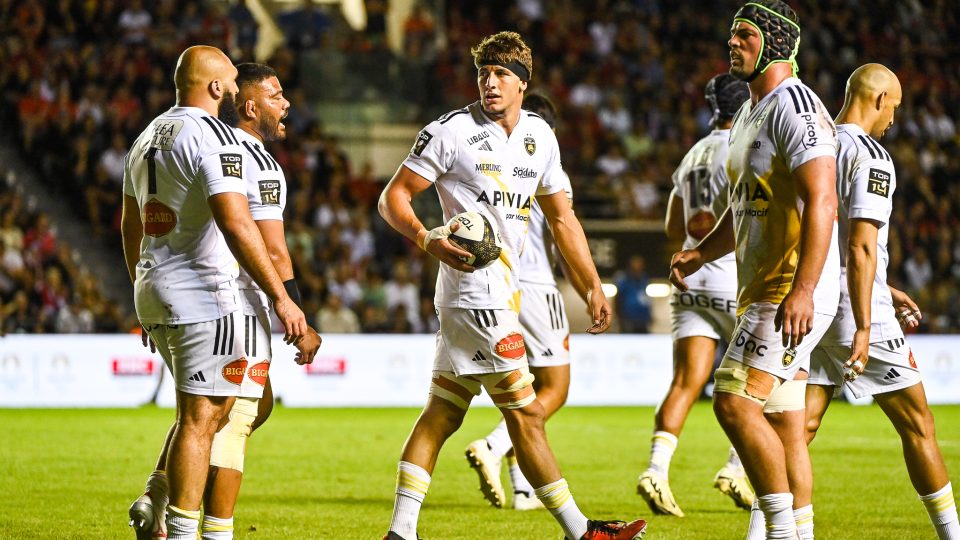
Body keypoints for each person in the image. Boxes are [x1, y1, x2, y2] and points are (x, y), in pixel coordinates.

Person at [378, 31, 647, 540]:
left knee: (441, 413)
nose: (490, 82)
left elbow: (563, 219)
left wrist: (591, 285)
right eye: (483, 72)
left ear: (523, 83)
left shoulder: (541, 137)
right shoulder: (450, 132)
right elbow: (394, 198)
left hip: (501, 292)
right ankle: (581, 531)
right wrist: (425, 238)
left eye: (501, 73)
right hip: (475, 294)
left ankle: (401, 532)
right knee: (527, 414)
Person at [121, 47, 318, 540]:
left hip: (155, 288)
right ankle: (193, 529)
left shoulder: (146, 136)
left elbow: (130, 223)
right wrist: (284, 299)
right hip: (209, 293)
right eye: (231, 81)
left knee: (212, 411)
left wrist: (141, 287)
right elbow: (237, 222)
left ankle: (159, 495)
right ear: (214, 88)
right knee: (210, 418)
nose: (233, 90)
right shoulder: (216, 138)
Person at [668, 2, 841, 538]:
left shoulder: (797, 107)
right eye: (732, 34)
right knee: (784, 425)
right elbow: (744, 203)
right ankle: (801, 532)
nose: (732, 43)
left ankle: (782, 533)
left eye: (743, 35)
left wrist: (805, 289)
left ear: (775, 43)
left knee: (734, 404)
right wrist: (702, 251)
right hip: (761, 286)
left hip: (788, 289)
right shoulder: (749, 110)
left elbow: (823, 200)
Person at [804, 63, 960, 540]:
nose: (894, 118)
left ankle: (767, 532)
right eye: (894, 106)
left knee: (800, 426)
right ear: (878, 99)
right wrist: (869, 321)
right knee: (919, 423)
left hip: (811, 298)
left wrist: (886, 285)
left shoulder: (815, 142)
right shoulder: (870, 154)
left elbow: (825, 235)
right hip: (855, 307)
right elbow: (861, 245)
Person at [636, 74, 754, 517]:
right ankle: (736, 468)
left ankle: (655, 470)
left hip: (689, 280)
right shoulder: (742, 146)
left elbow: (672, 227)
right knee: (763, 383)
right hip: (731, 277)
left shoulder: (692, 155)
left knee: (686, 383)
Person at [463, 92, 581, 512]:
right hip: (535, 284)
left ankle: (523, 489)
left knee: (524, 389)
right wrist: (588, 287)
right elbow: (563, 229)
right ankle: (494, 446)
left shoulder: (487, 154)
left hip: (496, 285)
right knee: (556, 388)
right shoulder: (542, 157)